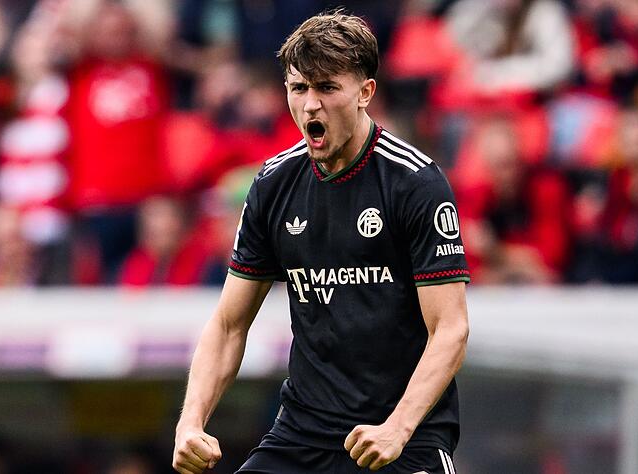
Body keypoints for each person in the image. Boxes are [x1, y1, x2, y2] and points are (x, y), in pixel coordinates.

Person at [173, 11, 470, 474]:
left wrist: (397, 428)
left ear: (365, 92)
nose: (311, 105)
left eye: (327, 88)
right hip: (303, 434)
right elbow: (230, 324)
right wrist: (190, 423)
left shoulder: (415, 183)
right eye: (299, 89)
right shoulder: (273, 185)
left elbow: (450, 329)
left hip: (403, 437)